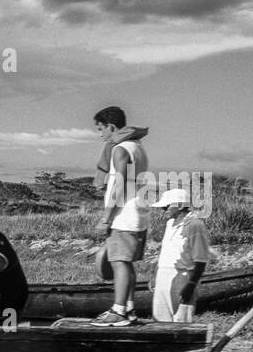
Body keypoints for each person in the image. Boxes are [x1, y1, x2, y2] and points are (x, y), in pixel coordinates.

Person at [89, 106, 149, 325]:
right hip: (137, 213)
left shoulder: (120, 149)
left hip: (124, 215)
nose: (100, 134)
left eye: (100, 129)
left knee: (119, 263)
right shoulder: (137, 146)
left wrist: (106, 218)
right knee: (126, 263)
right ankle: (129, 309)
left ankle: (119, 311)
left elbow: (119, 186)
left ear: (111, 126)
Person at [150, 188, 213, 323]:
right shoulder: (169, 224)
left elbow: (201, 259)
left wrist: (190, 285)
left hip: (182, 277)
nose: (163, 209)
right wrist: (156, 275)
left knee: (181, 321)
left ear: (179, 206)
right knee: (160, 321)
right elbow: (165, 252)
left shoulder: (195, 225)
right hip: (163, 276)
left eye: (167, 206)